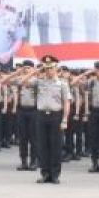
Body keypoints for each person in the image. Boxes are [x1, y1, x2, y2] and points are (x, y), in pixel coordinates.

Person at [31, 56, 71, 184]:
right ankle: (45, 173)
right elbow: (23, 82)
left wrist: (65, 119)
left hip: (56, 116)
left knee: (56, 146)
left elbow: (66, 103)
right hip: (42, 115)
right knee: (42, 146)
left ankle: (55, 174)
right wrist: (37, 70)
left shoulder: (62, 84)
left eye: (51, 68)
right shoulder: (39, 82)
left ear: (56, 69)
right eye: (46, 68)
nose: (49, 71)